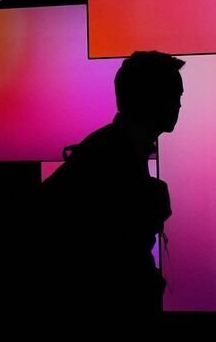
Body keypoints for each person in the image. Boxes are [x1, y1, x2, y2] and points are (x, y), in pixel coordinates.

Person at [36, 50, 184, 322]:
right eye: (175, 95)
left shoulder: (109, 149)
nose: (179, 105)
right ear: (151, 99)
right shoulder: (111, 156)